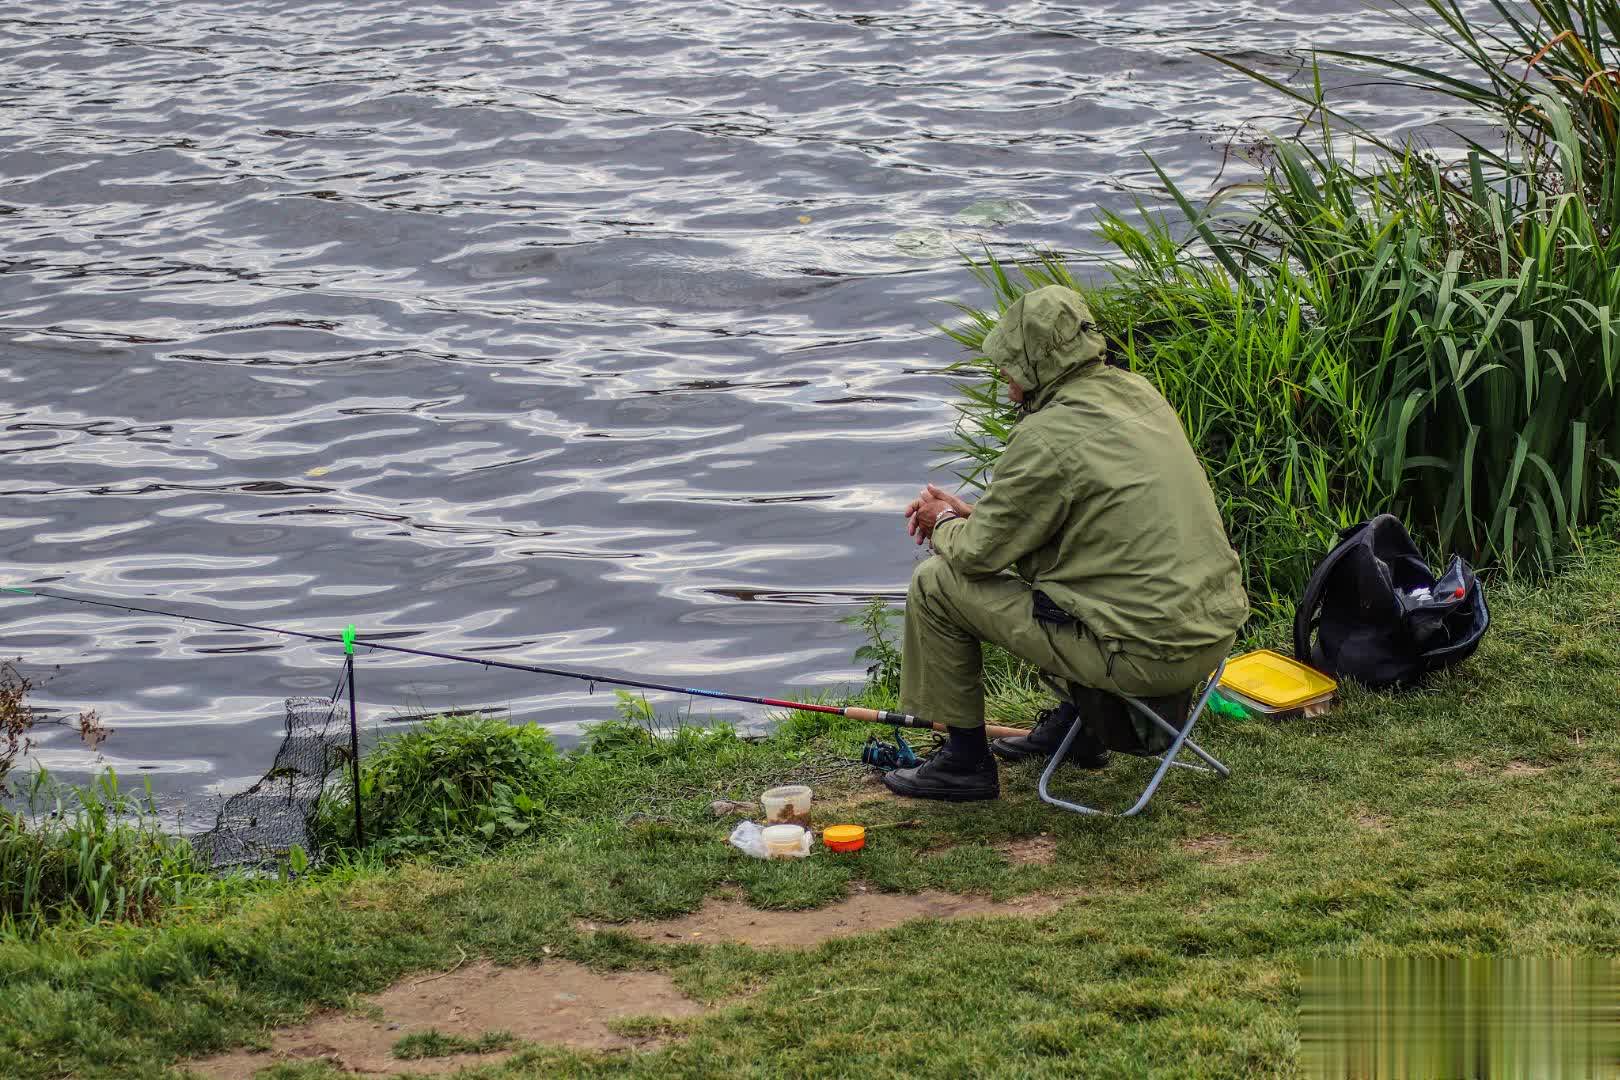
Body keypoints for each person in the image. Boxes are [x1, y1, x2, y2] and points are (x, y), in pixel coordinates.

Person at [884, 284, 1247, 802]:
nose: (1004, 376)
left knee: (936, 583)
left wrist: (942, 520)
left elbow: (975, 555)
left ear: (1034, 365)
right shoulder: (1138, 392)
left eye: (1009, 363)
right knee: (1079, 580)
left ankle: (963, 763)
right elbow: (1086, 518)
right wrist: (974, 513)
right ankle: (1076, 731)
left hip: (1145, 656)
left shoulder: (1044, 436)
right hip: (1211, 634)